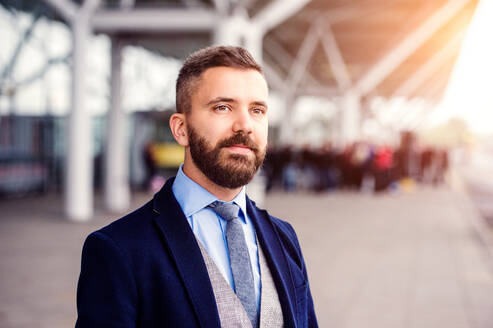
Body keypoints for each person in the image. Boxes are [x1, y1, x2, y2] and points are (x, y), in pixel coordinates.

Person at [75, 46, 318, 328]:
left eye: (257, 110)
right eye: (222, 107)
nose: (245, 125)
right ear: (181, 129)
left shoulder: (284, 237)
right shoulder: (119, 250)